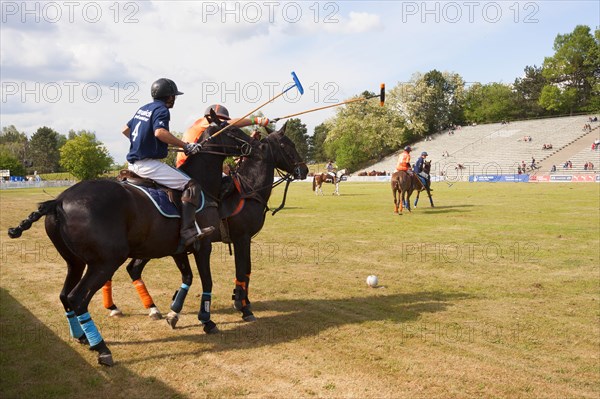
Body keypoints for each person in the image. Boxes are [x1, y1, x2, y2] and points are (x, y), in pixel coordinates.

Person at [123, 78, 215, 248]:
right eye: (174, 96)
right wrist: (185, 145)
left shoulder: (143, 109)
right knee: (192, 185)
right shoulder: (162, 110)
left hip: (133, 164)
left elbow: (126, 130)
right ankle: (188, 232)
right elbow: (160, 132)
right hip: (148, 165)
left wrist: (144, 143)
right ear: (169, 97)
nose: (175, 99)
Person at [176, 105, 269, 168]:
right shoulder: (206, 122)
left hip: (191, 165)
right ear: (212, 117)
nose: (221, 122)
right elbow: (231, 124)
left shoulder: (202, 128)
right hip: (189, 166)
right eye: (220, 119)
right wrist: (257, 120)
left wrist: (249, 139)